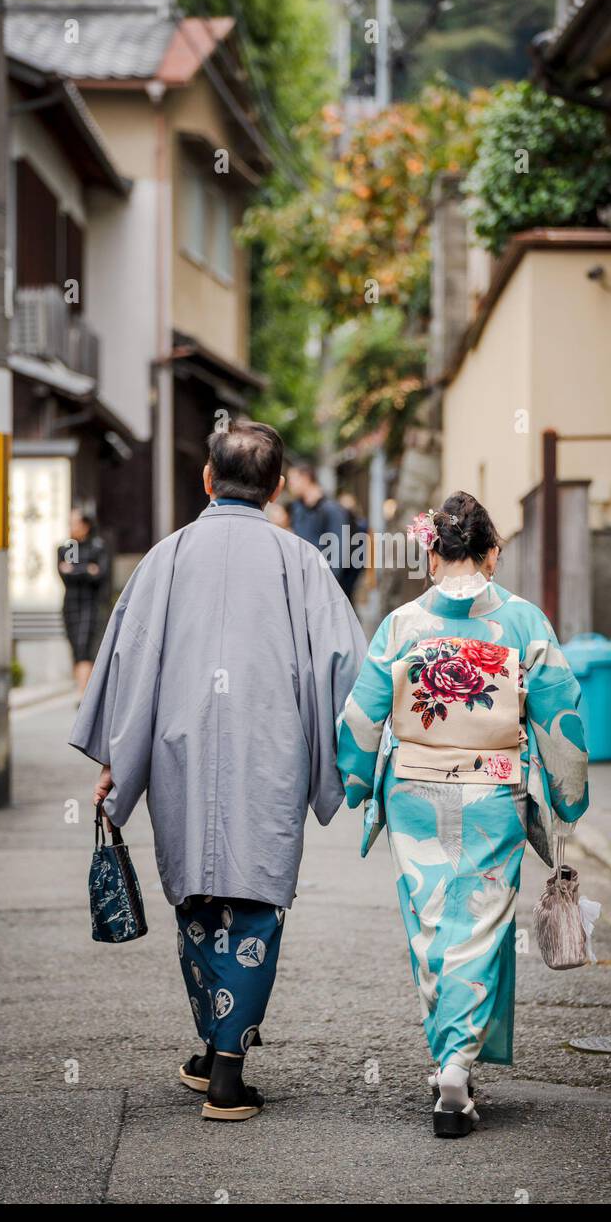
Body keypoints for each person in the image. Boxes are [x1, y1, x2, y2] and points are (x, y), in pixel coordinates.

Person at [70, 422, 366, 1122]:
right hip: (271, 749)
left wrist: (120, 759)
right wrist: (358, 759)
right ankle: (225, 1061)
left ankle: (217, 1046)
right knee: (255, 899)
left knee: (199, 894)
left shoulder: (164, 560)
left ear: (207, 480)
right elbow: (345, 670)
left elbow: (130, 663)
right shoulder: (302, 563)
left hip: (182, 750)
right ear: (274, 488)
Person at [336, 491, 589, 1138]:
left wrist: (358, 781)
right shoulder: (525, 623)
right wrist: (568, 796)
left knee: (429, 923)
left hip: (415, 790)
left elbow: (363, 716)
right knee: (478, 923)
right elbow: (562, 714)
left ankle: (449, 1054)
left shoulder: (401, 625)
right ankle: (456, 1062)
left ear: (431, 553)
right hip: (493, 791)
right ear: (493, 554)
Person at [57, 508, 110, 697]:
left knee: (85, 645)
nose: (72, 527)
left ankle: (84, 692)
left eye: (76, 523)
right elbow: (66, 574)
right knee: (76, 646)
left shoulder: (97, 546)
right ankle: (85, 689)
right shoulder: (68, 547)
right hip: (71, 603)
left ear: (86, 525)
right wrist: (87, 569)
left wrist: (77, 570)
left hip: (91, 603)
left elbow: (100, 574)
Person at [286, 463, 354, 596]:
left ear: (305, 478)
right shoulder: (297, 509)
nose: (290, 485)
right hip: (303, 584)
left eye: (292, 480)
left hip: (324, 588)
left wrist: (327, 587)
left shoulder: (332, 510)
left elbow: (338, 552)